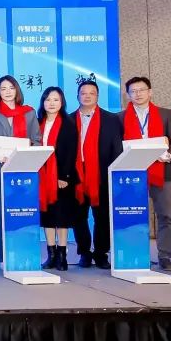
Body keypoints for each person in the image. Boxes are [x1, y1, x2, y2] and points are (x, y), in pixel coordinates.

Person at [121, 77, 171, 270]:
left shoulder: (165, 114)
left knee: (165, 215)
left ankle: (165, 256)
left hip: (161, 171)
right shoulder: (120, 117)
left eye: (142, 90)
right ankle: (135, 253)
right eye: (133, 91)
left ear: (150, 92)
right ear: (127, 95)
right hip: (132, 173)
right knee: (133, 215)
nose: (138, 94)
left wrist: (168, 155)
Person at [0, 75, 40, 263]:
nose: (7, 92)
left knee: (24, 215)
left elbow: (37, 141)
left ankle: (25, 255)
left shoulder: (29, 113)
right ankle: (4, 257)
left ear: (17, 90)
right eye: (3, 89)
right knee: (2, 216)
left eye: (11, 88)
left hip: (24, 173)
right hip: (0, 172)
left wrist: (24, 152)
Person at [70, 79, 123, 269]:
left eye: (91, 93)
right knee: (78, 217)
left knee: (102, 217)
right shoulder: (68, 119)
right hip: (76, 175)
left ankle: (101, 253)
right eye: (83, 93)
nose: (87, 96)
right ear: (78, 96)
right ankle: (84, 252)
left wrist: (114, 172)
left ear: (97, 96)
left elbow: (117, 148)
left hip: (102, 173)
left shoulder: (111, 119)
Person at [36, 86, 78, 272]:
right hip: (42, 177)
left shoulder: (68, 123)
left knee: (61, 217)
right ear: (43, 102)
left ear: (62, 103)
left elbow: (71, 152)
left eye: (55, 100)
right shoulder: (38, 122)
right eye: (48, 99)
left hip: (62, 178)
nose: (51, 103)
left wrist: (63, 176)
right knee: (47, 217)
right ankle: (51, 255)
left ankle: (62, 256)